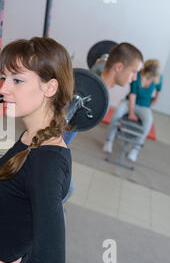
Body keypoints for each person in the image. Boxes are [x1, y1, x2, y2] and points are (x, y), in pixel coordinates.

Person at [0, 37, 74, 263]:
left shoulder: (47, 163)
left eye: (17, 80)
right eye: (4, 78)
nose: (3, 88)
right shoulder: (31, 138)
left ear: (50, 87)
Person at [61, 42, 143, 203]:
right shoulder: (86, 92)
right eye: (133, 72)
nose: (134, 78)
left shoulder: (100, 75)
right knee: (67, 188)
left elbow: (103, 61)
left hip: (61, 144)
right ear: (118, 67)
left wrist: (106, 57)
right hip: (49, 146)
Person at [103, 59, 162, 162]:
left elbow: (158, 94)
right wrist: (131, 113)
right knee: (117, 113)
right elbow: (132, 95)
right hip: (129, 102)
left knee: (148, 121)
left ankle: (135, 148)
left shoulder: (158, 77)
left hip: (144, 106)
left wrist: (150, 105)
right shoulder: (137, 75)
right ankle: (109, 140)